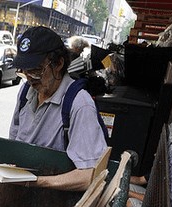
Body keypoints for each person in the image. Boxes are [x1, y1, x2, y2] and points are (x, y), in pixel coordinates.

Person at [8, 26, 107, 191]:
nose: (30, 79)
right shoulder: (26, 91)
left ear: (59, 63)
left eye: (37, 70)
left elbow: (92, 175)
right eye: (25, 72)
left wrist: (37, 182)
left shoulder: (80, 104)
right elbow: (13, 143)